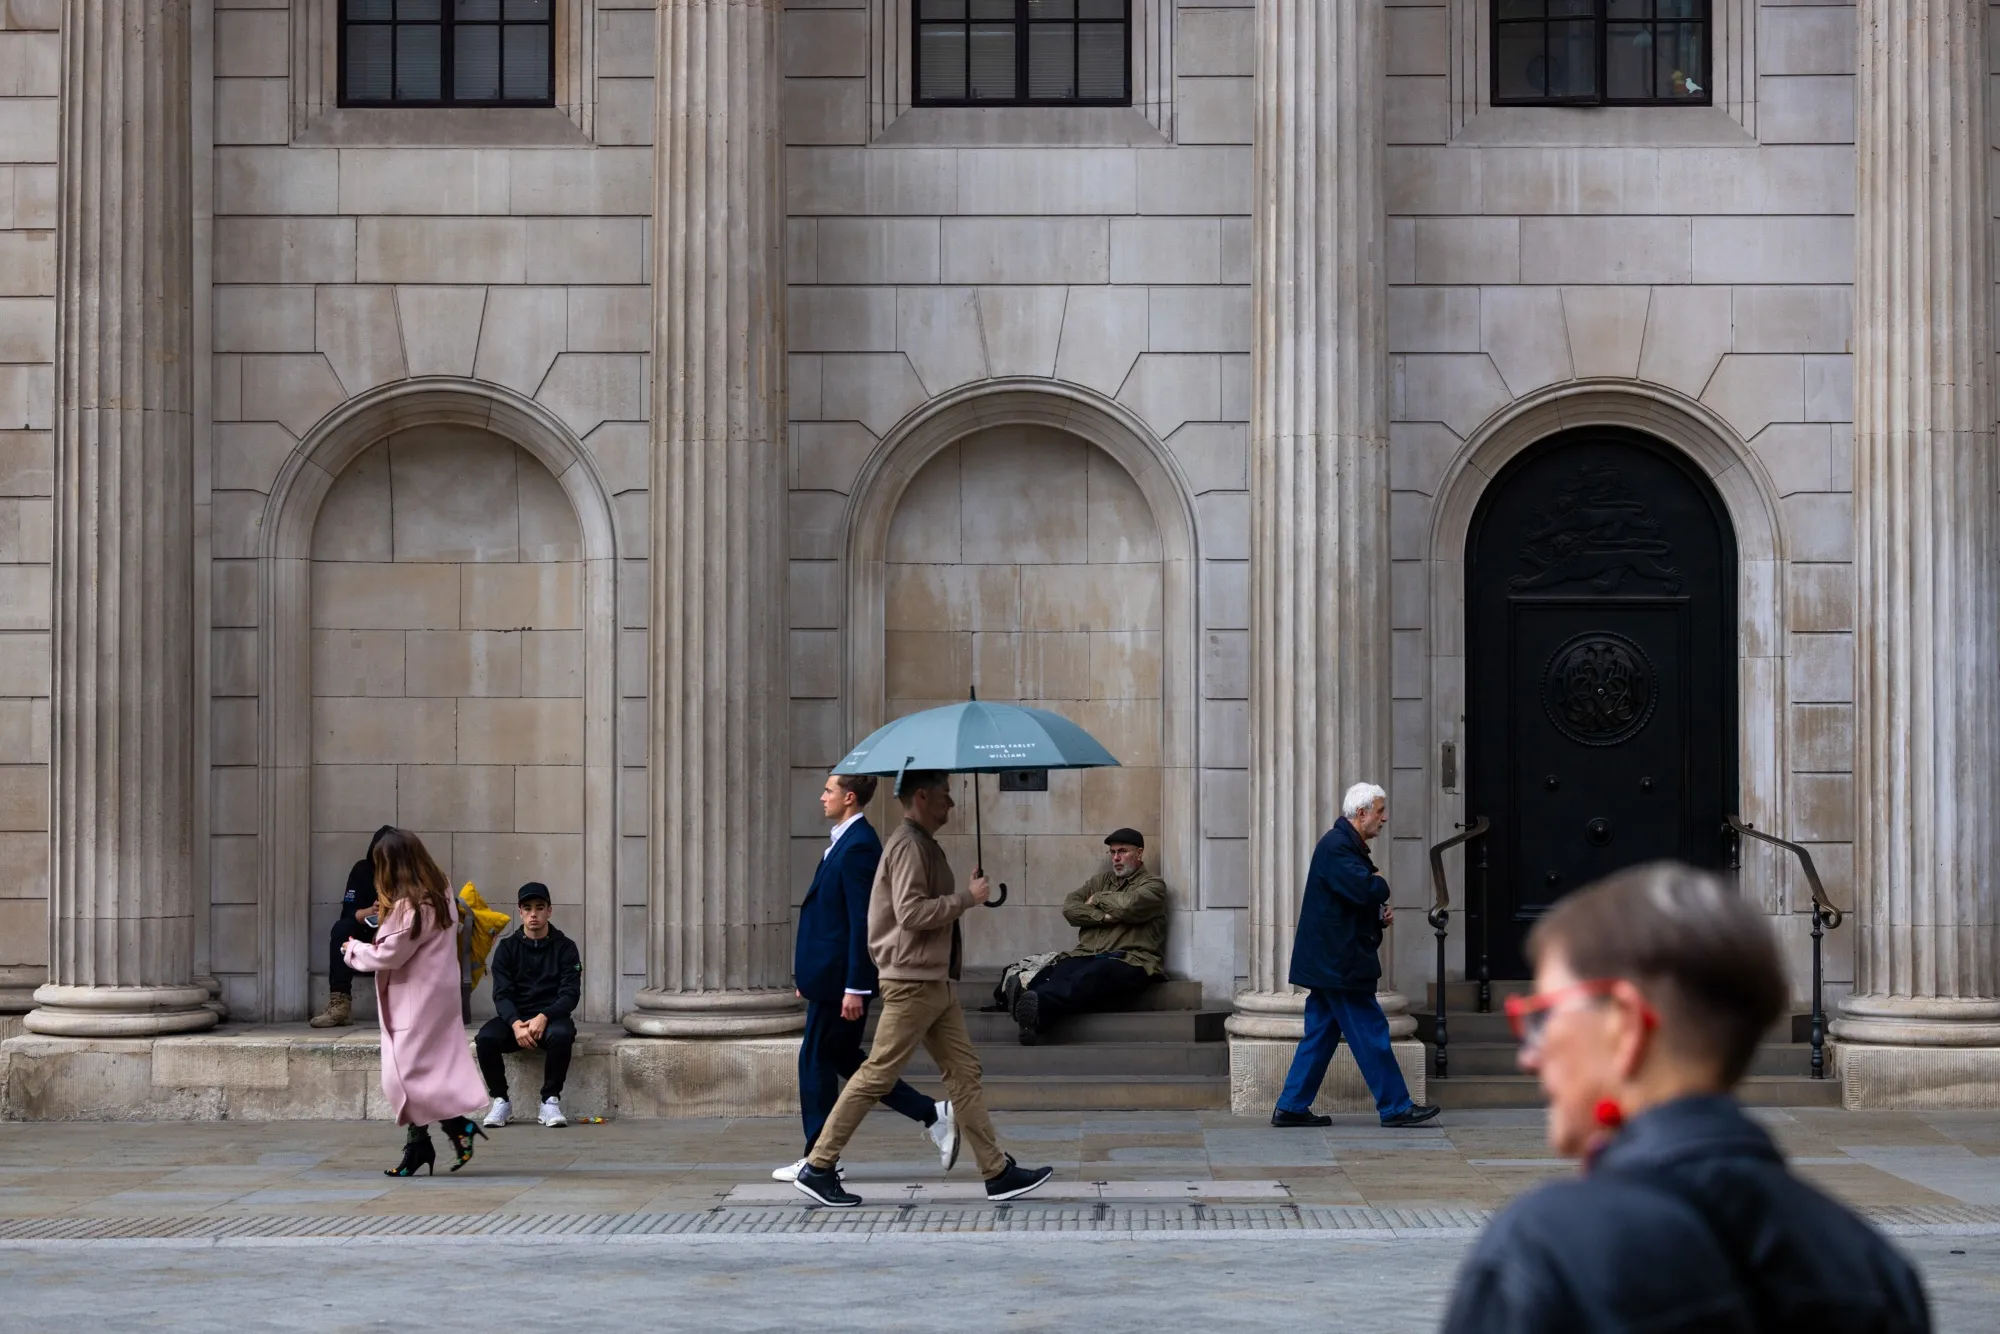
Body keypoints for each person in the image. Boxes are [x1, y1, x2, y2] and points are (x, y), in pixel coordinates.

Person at [1440, 863, 1930, 1333]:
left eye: (1544, 1016)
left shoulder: (1545, 1251)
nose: (1530, 1055)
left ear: (1624, 1026)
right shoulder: (1873, 1267)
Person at [792, 770, 1053, 1208]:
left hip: (931, 980)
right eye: (945, 796)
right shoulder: (909, 844)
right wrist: (967, 898)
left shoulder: (920, 843)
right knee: (876, 1073)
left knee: (964, 1074)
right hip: (912, 981)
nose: (951, 804)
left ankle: (997, 1172)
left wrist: (964, 894)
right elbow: (911, 913)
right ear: (922, 797)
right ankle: (818, 1166)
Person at [774, 772, 957, 1183]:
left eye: (829, 791)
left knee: (816, 1060)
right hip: (829, 977)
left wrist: (855, 986)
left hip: (843, 981)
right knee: (845, 1059)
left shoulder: (859, 847)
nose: (822, 797)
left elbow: (864, 921)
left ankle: (819, 1157)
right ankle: (931, 1113)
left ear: (849, 797)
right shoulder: (845, 840)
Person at [1271, 781, 1440, 1129]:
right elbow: (1366, 889)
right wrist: (1378, 884)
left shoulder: (1344, 847)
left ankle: (1291, 1106)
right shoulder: (1338, 847)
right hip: (1340, 964)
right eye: (1380, 811)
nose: (1384, 818)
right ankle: (1395, 1106)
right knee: (1370, 1030)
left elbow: (1349, 901)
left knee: (1320, 1034)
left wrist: (1377, 912)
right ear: (1361, 814)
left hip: (1332, 961)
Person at [340, 828, 490, 1176]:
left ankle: (441, 1133)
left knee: (403, 1076)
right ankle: (429, 1140)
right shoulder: (439, 890)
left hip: (417, 996)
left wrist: (354, 950)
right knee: (421, 1071)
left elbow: (390, 954)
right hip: (437, 993)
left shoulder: (413, 904)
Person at [1009, 827, 1167, 1045]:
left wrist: (1097, 899)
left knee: (1091, 975)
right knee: (1058, 971)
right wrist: (1104, 917)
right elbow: (1070, 909)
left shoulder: (1153, 885)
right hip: (1087, 955)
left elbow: (1130, 904)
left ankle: (1034, 1008)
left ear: (1139, 854)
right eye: (1112, 853)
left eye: (1122, 851)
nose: (1116, 858)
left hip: (1129, 960)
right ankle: (1029, 1009)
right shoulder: (1099, 880)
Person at [475, 883, 582, 1130]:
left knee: (563, 1034)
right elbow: (501, 994)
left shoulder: (566, 947)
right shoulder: (507, 948)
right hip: (517, 1020)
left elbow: (570, 994)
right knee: (486, 1039)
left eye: (539, 908)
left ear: (549, 911)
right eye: (528, 908)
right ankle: (501, 1100)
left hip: (551, 1018)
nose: (534, 914)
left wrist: (544, 1016)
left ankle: (550, 1101)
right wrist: (515, 1024)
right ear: (520, 912)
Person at [310, 825, 395, 1027]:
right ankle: (340, 1002)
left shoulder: (408, 873)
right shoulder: (363, 870)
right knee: (342, 928)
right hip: (367, 932)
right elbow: (349, 911)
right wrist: (372, 911)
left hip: (400, 933)